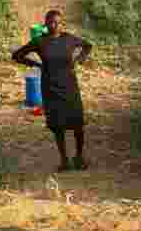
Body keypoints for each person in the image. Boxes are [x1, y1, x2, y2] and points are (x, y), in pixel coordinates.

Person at [12, 9, 92, 171]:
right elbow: (17, 55)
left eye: (58, 22)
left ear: (62, 24)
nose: (55, 25)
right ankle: (64, 160)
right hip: (50, 87)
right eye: (51, 22)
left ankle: (79, 157)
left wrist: (79, 59)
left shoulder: (69, 39)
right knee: (57, 126)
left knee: (77, 124)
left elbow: (88, 46)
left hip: (70, 86)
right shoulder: (40, 41)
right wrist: (35, 64)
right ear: (46, 24)